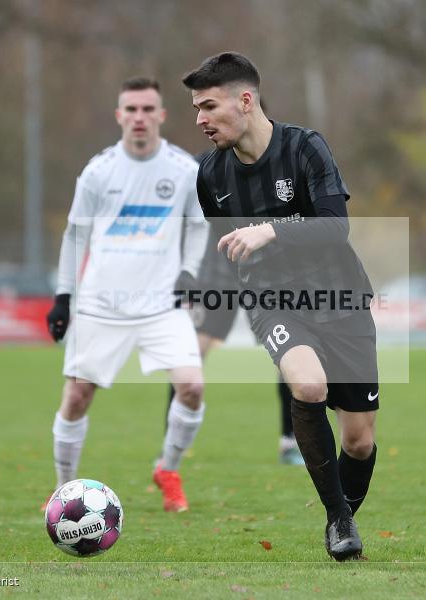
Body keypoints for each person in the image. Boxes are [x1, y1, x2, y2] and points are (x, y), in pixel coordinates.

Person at [182, 52, 379, 561]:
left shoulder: (306, 148)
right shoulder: (209, 175)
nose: (199, 120)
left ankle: (343, 512)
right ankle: (338, 521)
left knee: (358, 441)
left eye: (208, 106)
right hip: (274, 304)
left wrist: (272, 228)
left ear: (245, 101)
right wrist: (203, 302)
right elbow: (226, 252)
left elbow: (337, 228)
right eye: (196, 109)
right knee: (308, 384)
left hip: (342, 301)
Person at [46, 77, 209, 512]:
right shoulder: (99, 172)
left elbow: (197, 225)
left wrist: (190, 271)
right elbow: (74, 236)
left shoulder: (182, 170)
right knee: (77, 397)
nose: (139, 117)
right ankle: (65, 491)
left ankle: (167, 469)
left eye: (147, 109)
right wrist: (64, 296)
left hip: (162, 305)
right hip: (101, 305)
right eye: (131, 110)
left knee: (191, 387)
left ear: (161, 115)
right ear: (119, 115)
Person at [165, 143, 305, 467]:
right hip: (215, 275)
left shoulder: (281, 163)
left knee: (290, 356)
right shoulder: (202, 165)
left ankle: (290, 442)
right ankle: (171, 445)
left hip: (268, 275)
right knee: (190, 357)